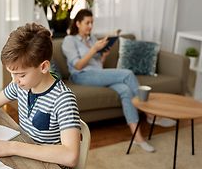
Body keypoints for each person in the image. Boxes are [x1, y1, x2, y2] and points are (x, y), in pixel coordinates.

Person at [61, 9, 176, 153]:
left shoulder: (92, 39)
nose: (90, 26)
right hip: (81, 76)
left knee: (125, 90)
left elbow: (98, 64)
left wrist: (103, 56)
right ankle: (151, 115)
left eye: (92, 22)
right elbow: (78, 65)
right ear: (77, 23)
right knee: (127, 74)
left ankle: (137, 137)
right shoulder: (69, 40)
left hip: (97, 74)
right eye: (87, 23)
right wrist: (94, 50)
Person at [0, 23, 81, 169]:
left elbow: (71, 156)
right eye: (11, 73)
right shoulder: (21, 86)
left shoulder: (63, 100)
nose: (15, 80)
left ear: (44, 67)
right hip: (25, 161)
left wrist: (11, 147)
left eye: (21, 74)